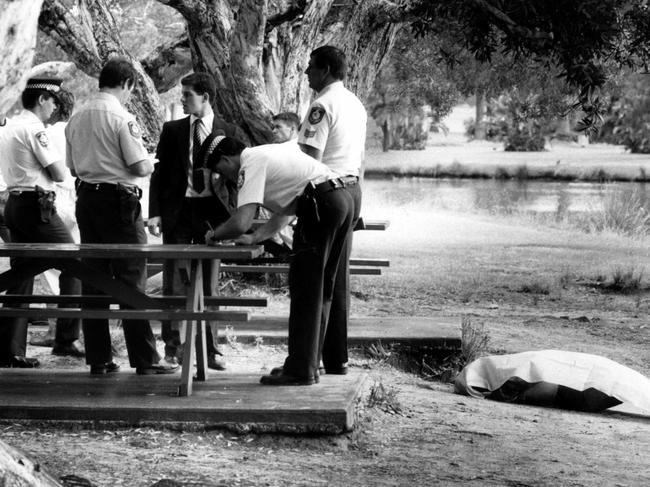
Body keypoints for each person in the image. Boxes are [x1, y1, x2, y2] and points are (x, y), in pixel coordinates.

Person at [204, 136, 355, 385]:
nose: (226, 178)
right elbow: (288, 210)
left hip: (321, 203)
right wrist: (256, 237)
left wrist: (214, 235)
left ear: (225, 159)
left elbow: (241, 220)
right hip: (339, 198)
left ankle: (299, 371)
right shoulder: (268, 153)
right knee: (321, 289)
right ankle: (307, 363)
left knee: (305, 289)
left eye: (221, 170)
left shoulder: (249, 163)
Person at [65, 58, 178, 376]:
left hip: (86, 198)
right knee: (131, 277)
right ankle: (145, 359)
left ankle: (99, 358)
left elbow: (72, 167)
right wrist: (152, 161)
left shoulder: (77, 117)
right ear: (127, 83)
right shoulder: (121, 117)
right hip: (119, 201)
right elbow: (139, 166)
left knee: (94, 278)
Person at [148, 72, 246, 370]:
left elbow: (238, 176)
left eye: (188, 93)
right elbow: (159, 173)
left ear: (205, 96)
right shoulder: (173, 129)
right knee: (174, 283)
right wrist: (154, 212)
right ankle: (173, 349)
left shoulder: (227, 129)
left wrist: (235, 213)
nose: (182, 98)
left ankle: (209, 348)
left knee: (210, 284)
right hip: (178, 212)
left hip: (212, 214)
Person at [0, 78, 84, 369]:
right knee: (76, 261)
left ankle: (10, 349)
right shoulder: (35, 129)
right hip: (37, 206)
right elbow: (59, 173)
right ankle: (67, 338)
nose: (55, 108)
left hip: (14, 203)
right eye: (53, 101)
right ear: (42, 99)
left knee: (21, 274)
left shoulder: (9, 125)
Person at [297, 45, 368, 375]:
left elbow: (309, 158)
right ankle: (336, 358)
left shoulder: (322, 105)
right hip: (352, 190)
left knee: (310, 280)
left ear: (325, 70)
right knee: (337, 279)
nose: (307, 72)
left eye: (311, 66)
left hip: (325, 193)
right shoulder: (355, 104)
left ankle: (303, 365)